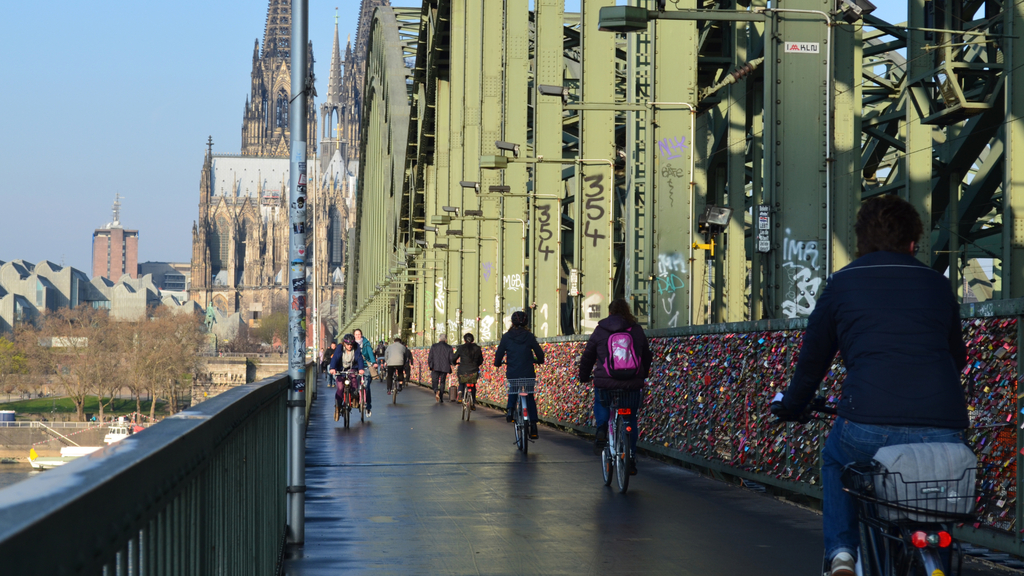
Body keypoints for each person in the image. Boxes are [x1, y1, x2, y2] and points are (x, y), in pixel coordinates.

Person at [769, 194, 969, 576]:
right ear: (913, 243)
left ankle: (842, 554)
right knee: (932, 496)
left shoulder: (842, 284)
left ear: (861, 242)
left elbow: (813, 362)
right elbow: (956, 358)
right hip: (944, 425)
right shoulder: (937, 285)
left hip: (867, 422)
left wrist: (793, 405)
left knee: (835, 459)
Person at [578, 298, 652, 475]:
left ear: (609, 313)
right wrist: (644, 373)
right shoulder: (636, 329)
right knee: (630, 419)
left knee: (602, 402)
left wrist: (583, 376)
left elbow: (588, 356)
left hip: (606, 381)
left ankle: (602, 427)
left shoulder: (601, 329)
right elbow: (646, 354)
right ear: (627, 311)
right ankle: (631, 457)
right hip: (632, 382)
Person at [494, 311, 545, 439]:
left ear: (512, 322)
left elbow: (499, 353)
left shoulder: (506, 337)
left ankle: (510, 410)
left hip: (513, 372)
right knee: (530, 397)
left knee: (513, 389)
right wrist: (539, 360)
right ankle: (533, 426)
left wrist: (497, 363)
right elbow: (539, 353)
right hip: (528, 372)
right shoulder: (529, 336)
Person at [328, 334, 366, 421]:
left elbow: (359, 359)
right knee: (340, 387)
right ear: (344, 343)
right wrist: (332, 368)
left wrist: (360, 369)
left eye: (351, 344)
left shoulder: (356, 348)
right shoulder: (340, 348)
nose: (349, 346)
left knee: (353, 379)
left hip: (352, 368)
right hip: (341, 369)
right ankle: (337, 407)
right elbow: (335, 358)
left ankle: (354, 397)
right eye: (348, 344)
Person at [453, 333, 484, 408]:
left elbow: (454, 358)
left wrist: (455, 363)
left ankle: (460, 391)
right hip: (473, 370)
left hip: (463, 370)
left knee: (462, 380)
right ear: (473, 340)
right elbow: (481, 360)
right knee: (473, 385)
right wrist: (476, 364)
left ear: (464, 340)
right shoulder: (477, 348)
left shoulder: (461, 348)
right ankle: (472, 402)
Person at [352, 329, 377, 417]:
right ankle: (355, 399)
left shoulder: (366, 344)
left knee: (367, 387)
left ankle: (368, 407)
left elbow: (370, 353)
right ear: (354, 335)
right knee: (354, 383)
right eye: (356, 334)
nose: (357, 336)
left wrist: (373, 362)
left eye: (359, 334)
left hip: (366, 366)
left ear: (361, 335)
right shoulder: (352, 344)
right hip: (356, 367)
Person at [427, 333, 455, 403]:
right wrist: (452, 364)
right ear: (446, 340)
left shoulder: (434, 346)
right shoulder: (449, 347)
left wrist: (430, 365)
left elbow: (430, 357)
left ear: (439, 339)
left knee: (435, 381)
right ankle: (441, 397)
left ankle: (436, 391)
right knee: (442, 382)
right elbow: (451, 358)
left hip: (435, 367)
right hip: (445, 367)